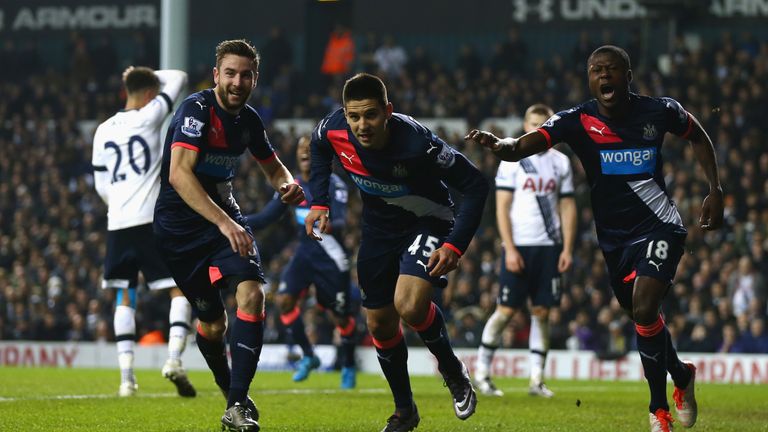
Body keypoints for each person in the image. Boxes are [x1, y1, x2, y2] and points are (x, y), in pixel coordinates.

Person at [466, 45, 723, 432]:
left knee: (645, 304)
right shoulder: (576, 120)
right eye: (597, 70)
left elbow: (698, 135)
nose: (605, 76)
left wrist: (715, 189)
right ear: (589, 78)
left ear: (628, 75)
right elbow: (521, 146)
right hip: (614, 241)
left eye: (612, 69)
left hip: (659, 226)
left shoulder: (659, 110)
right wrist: (499, 145)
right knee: (642, 316)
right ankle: (681, 375)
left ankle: (658, 411)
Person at [305, 73, 489, 432]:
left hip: (430, 221)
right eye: (354, 116)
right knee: (378, 323)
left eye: (371, 115)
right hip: (378, 230)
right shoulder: (332, 128)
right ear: (344, 113)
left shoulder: (417, 143)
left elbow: (476, 185)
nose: (362, 125)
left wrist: (455, 245)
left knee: (408, 304)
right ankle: (405, 411)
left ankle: (452, 370)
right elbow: (318, 149)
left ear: (388, 111)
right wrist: (319, 202)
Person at [153, 39, 304, 432]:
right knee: (213, 324)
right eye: (231, 73)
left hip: (224, 223)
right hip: (180, 231)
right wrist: (224, 222)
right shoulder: (196, 111)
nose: (238, 82)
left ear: (255, 79)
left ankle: (237, 404)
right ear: (216, 74)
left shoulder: (249, 120)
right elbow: (178, 174)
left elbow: (274, 168)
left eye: (246, 75)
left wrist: (288, 184)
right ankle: (228, 389)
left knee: (252, 292)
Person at [91, 66, 196, 398]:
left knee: (125, 295)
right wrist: (148, 74)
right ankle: (175, 360)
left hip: (118, 222)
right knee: (178, 290)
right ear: (151, 92)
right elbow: (177, 77)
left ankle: (126, 380)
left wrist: (120, 202)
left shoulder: (103, 130)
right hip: (150, 219)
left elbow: (101, 185)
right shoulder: (150, 115)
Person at [474, 104, 576, 398]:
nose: (537, 129)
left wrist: (567, 247)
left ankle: (536, 380)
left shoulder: (561, 163)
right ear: (524, 125)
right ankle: (481, 373)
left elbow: (567, 206)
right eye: (533, 123)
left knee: (542, 312)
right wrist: (509, 248)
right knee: (505, 311)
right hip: (519, 246)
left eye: (543, 124)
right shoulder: (512, 160)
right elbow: (502, 208)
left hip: (549, 247)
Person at [246, 135, 358, 389]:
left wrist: (320, 216)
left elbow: (339, 222)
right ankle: (309, 356)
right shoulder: (292, 186)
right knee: (285, 302)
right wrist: (231, 219)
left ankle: (349, 365)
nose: (305, 152)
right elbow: (266, 218)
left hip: (331, 258)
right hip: (304, 256)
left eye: (310, 149)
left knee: (340, 318)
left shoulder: (334, 185)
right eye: (300, 149)